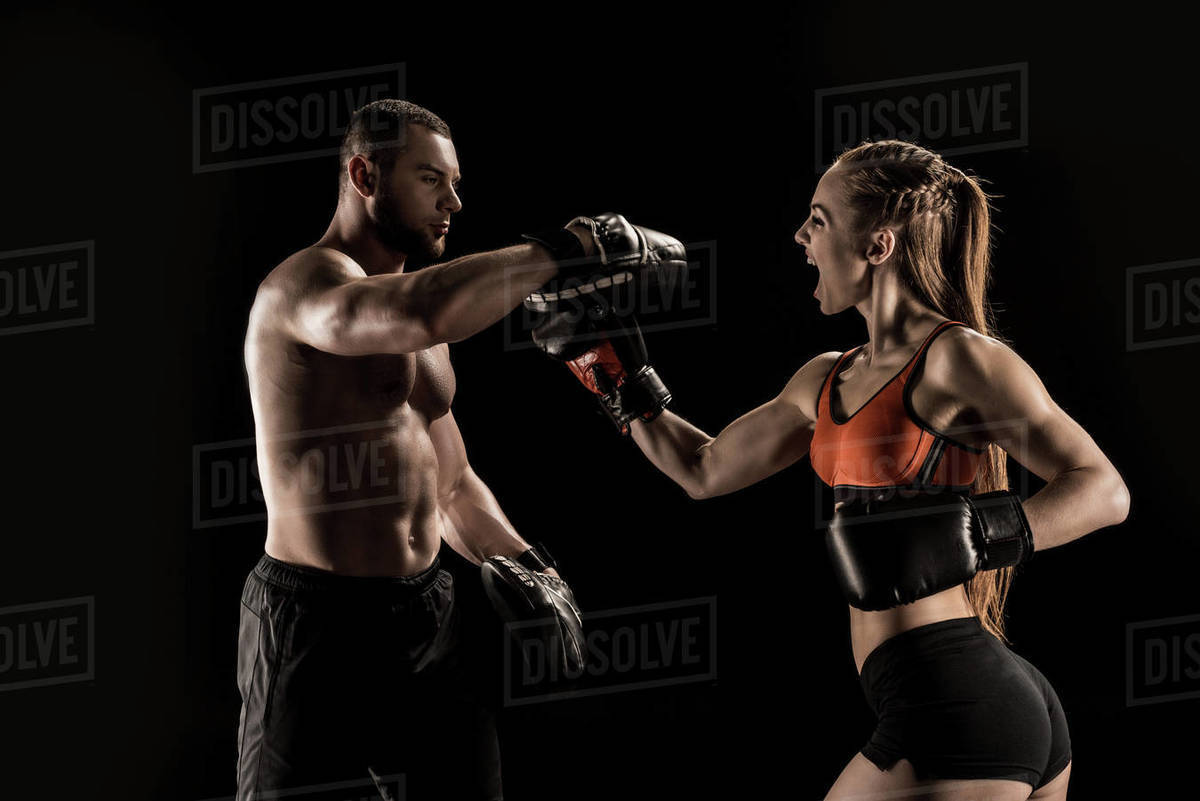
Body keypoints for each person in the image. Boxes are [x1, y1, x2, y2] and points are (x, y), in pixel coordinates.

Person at [529, 139, 1130, 800]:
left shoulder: (959, 359)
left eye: (818, 219)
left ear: (877, 246)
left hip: (961, 704)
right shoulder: (823, 379)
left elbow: (1103, 488)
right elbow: (700, 469)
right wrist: (605, 368)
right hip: (952, 704)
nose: (800, 235)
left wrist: (977, 533)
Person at [236, 98, 685, 800]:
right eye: (430, 179)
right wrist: (566, 247)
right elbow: (415, 313)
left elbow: (449, 478)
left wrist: (527, 559)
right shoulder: (303, 288)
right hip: (315, 625)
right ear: (363, 173)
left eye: (455, 182)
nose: (454, 200)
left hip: (425, 615)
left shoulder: (420, 298)